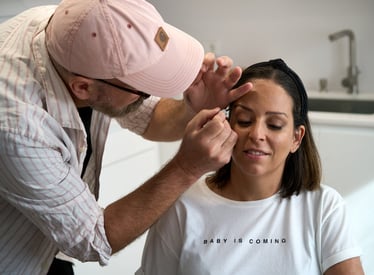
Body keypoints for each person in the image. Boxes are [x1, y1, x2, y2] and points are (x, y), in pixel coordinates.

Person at [0, 0, 252, 274]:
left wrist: (192, 108)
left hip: (47, 244)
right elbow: (93, 239)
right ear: (83, 87)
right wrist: (186, 167)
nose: (150, 94)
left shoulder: (79, 26)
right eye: (143, 89)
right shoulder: (18, 125)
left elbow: (148, 117)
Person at [137, 59, 365, 275]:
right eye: (245, 120)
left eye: (274, 125)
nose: (256, 135)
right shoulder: (182, 206)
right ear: (227, 124)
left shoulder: (323, 207)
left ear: (297, 138)